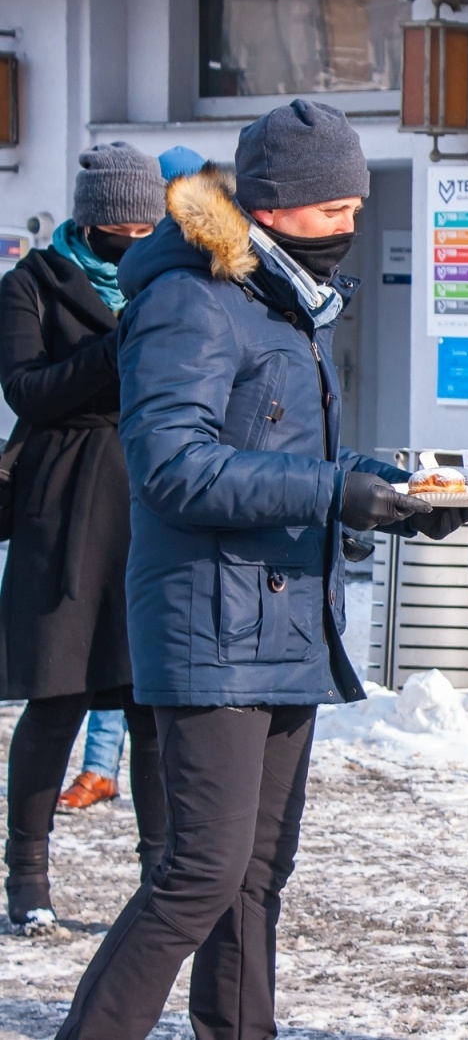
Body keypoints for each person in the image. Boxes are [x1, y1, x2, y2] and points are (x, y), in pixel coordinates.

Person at [53, 100, 468, 1040]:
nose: (353, 224)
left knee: (253, 876)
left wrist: (383, 493)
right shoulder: (191, 297)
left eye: (358, 206)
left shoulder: (282, 297)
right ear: (277, 208)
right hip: (211, 624)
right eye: (336, 209)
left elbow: (275, 455)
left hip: (277, 619)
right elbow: (173, 464)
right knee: (198, 872)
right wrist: (332, 491)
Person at [0, 143, 170, 934]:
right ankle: (26, 877)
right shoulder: (29, 285)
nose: (134, 239)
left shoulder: (172, 281)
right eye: (122, 225)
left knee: (151, 702)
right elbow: (28, 392)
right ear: (91, 217)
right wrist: (115, 350)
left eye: (149, 225)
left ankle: (163, 872)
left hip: (146, 502)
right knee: (55, 696)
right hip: (63, 507)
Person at [58, 147, 211, 817]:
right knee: (101, 655)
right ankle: (96, 767)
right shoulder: (57, 281)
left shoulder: (190, 282)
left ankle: (111, 778)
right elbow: (30, 390)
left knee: (136, 658)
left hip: (155, 492)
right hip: (93, 490)